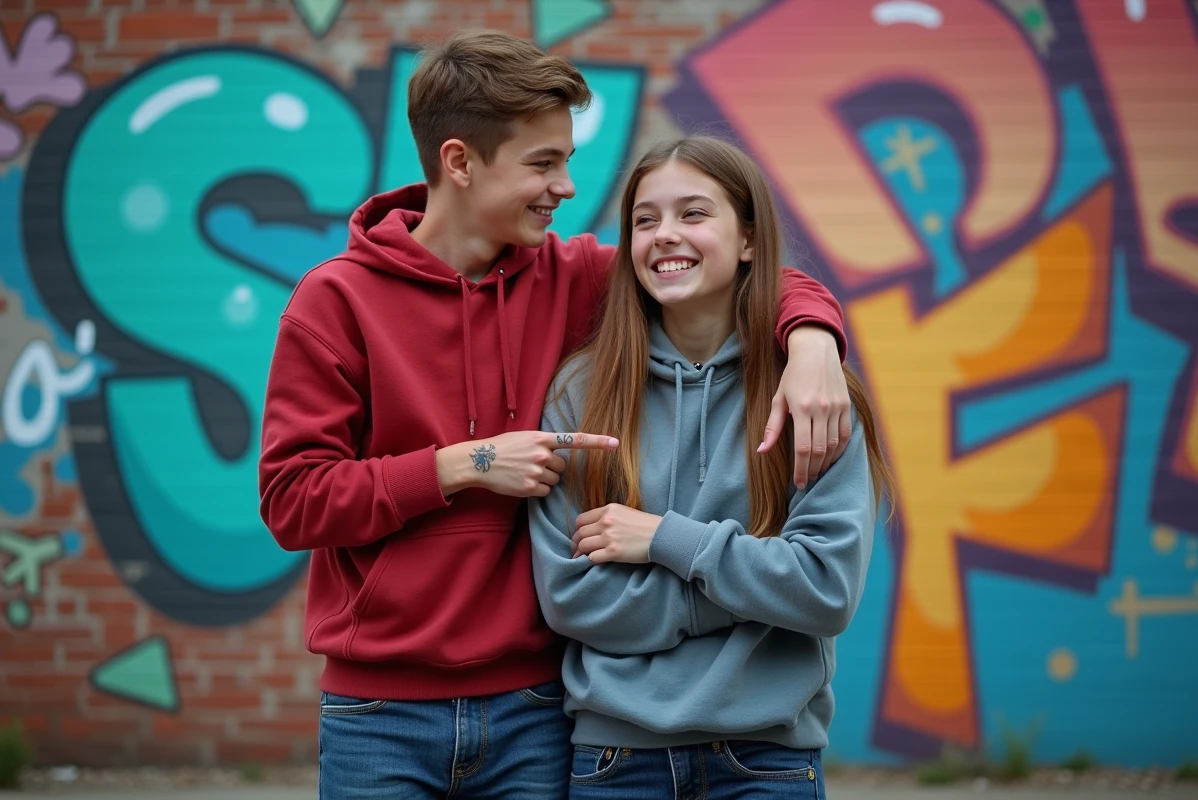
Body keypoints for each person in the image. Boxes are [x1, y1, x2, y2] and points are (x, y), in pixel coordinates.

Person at [258, 30, 853, 799]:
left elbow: (734, 267)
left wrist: (812, 343)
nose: (566, 186)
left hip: (534, 710)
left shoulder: (574, 278)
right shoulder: (334, 301)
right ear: (459, 162)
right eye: (543, 163)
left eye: (565, 159)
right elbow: (292, 500)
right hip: (379, 711)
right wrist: (465, 465)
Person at [529, 135, 895, 799]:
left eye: (694, 214)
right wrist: (755, 593)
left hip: (766, 761)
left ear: (749, 239)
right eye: (646, 220)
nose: (666, 235)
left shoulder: (810, 394)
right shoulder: (579, 393)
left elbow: (824, 590)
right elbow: (575, 599)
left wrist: (664, 540)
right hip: (616, 760)